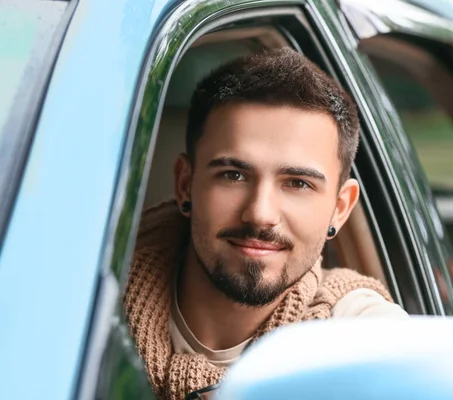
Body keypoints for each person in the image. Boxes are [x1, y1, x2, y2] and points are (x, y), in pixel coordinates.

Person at [123, 47, 408, 399]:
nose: (260, 213)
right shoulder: (84, 300)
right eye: (233, 175)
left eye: (298, 183)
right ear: (185, 184)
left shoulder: (356, 338)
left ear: (339, 207)